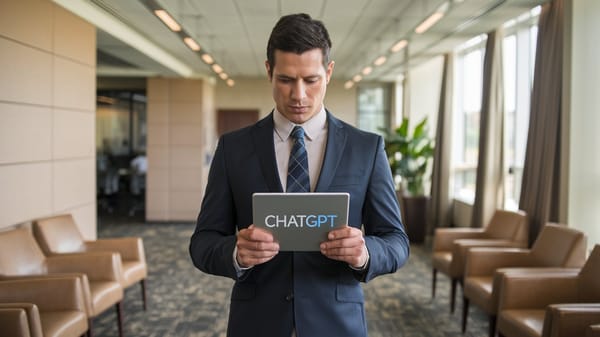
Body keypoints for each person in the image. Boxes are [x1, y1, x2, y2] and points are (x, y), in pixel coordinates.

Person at [189, 13, 409, 337]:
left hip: (337, 324)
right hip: (256, 323)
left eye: (311, 80)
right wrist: (236, 253)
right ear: (269, 71)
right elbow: (202, 243)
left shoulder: (367, 149)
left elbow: (397, 241)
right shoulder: (233, 150)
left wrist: (365, 253)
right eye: (286, 80)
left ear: (329, 73)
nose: (299, 96)